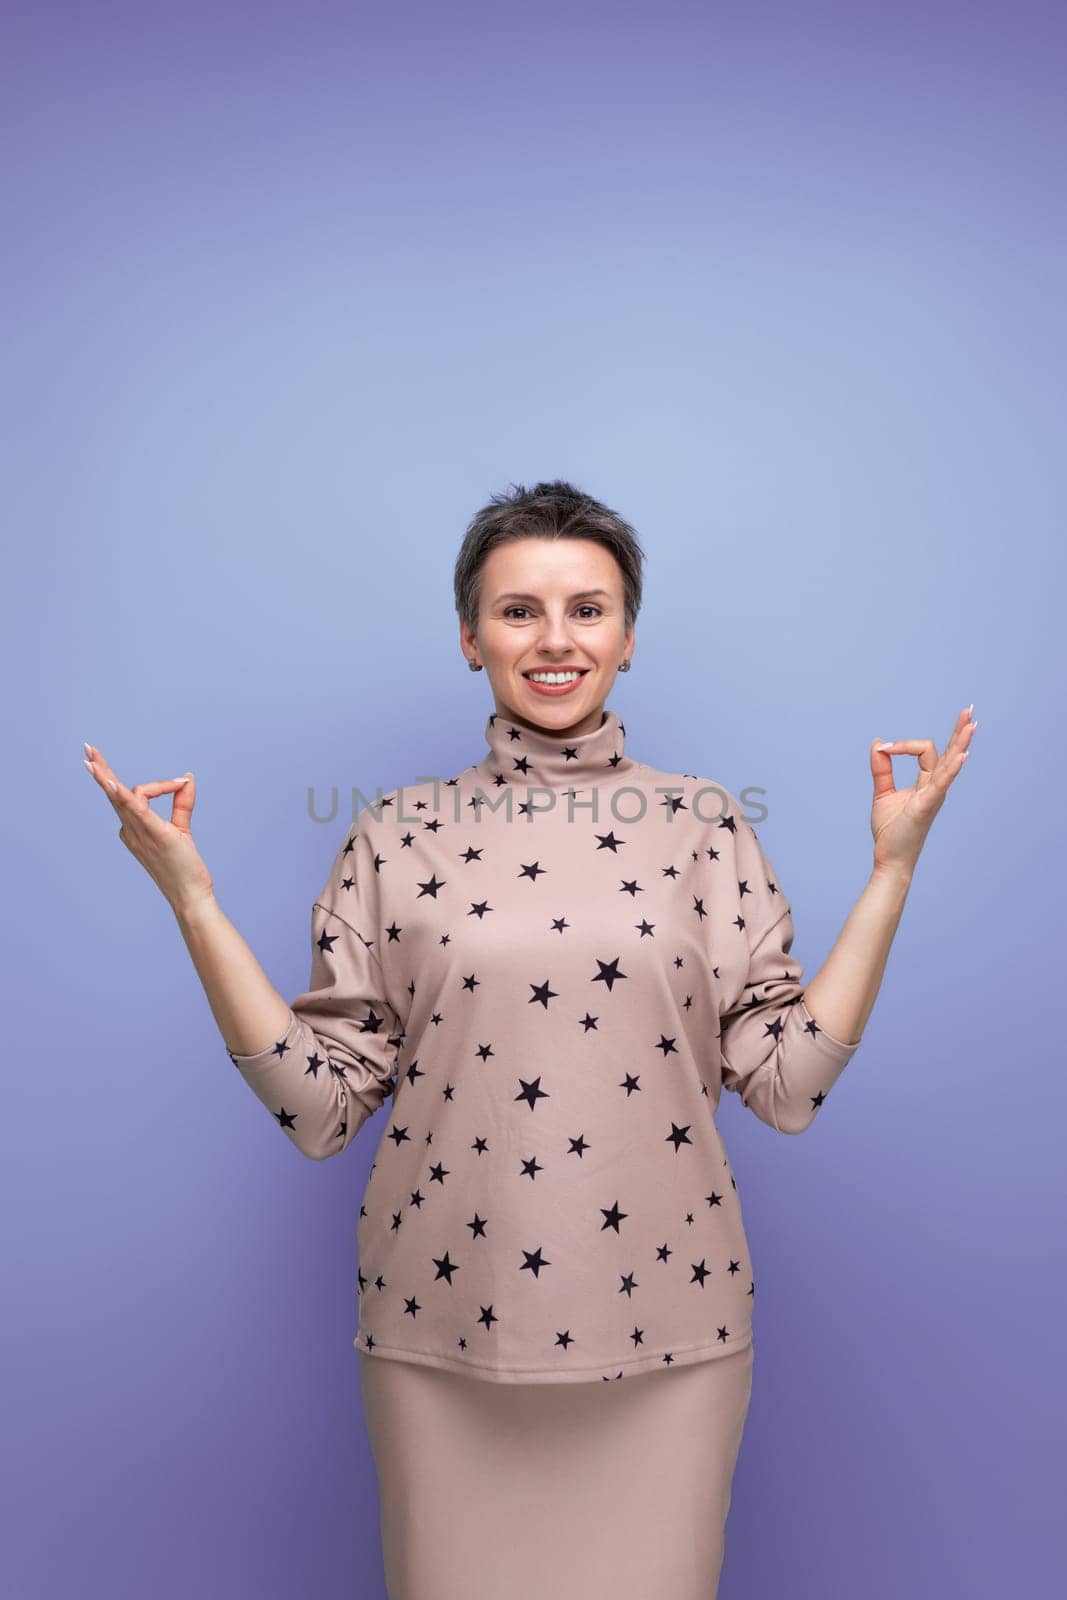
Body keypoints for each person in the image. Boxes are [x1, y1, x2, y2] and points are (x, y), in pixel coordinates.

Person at [82, 480, 976, 1599]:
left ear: (629, 636)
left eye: (587, 609)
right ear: (469, 637)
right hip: (440, 1337)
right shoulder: (394, 833)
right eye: (518, 611)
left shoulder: (702, 826)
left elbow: (786, 1086)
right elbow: (320, 1110)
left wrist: (889, 875)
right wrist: (195, 906)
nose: (554, 640)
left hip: (669, 1333)